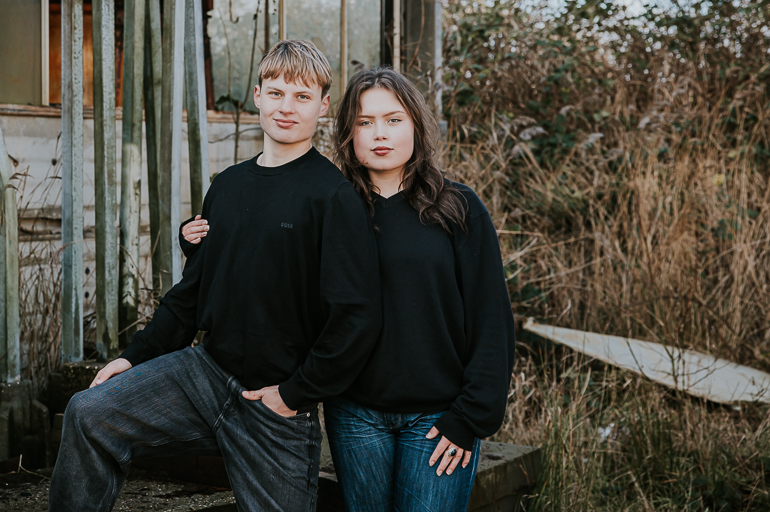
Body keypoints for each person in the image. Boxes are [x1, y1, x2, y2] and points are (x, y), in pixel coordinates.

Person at [48, 40, 382, 512]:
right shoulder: (227, 186)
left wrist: (294, 394)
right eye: (277, 92)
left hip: (275, 404)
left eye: (302, 96)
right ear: (257, 95)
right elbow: (192, 292)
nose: (287, 107)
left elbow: (356, 318)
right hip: (205, 373)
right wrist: (136, 356)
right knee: (88, 412)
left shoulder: (333, 198)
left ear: (323, 106)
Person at [181, 67, 515, 512]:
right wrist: (202, 247)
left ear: (415, 124)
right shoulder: (332, 205)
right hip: (356, 414)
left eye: (393, 120)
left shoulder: (457, 208)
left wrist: (471, 417)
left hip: (439, 418)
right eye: (364, 122)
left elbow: (492, 318)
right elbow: (271, 280)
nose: (380, 134)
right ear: (347, 133)